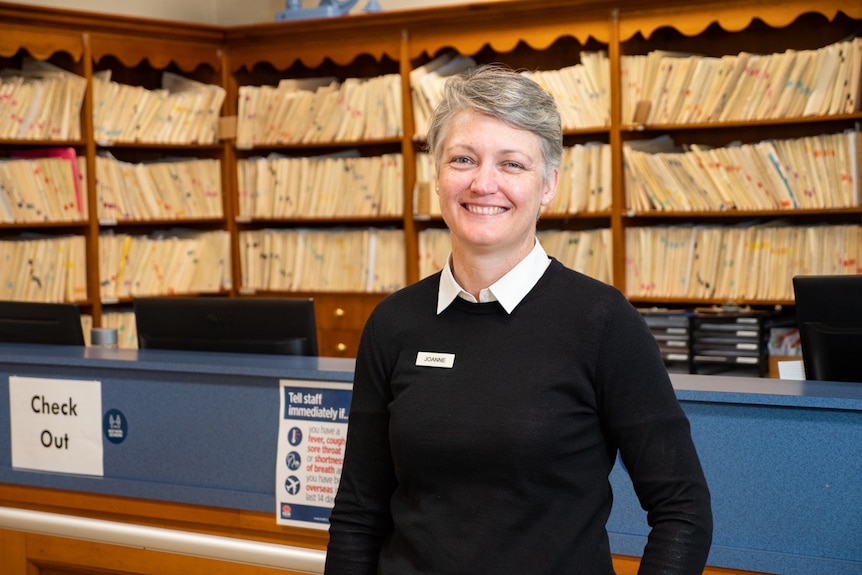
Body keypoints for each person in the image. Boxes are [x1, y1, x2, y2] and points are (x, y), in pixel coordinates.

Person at [324, 64, 713, 575]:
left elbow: (683, 512)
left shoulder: (602, 321)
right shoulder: (393, 324)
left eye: (512, 164)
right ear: (438, 176)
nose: (483, 183)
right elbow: (358, 512)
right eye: (463, 159)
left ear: (548, 184)